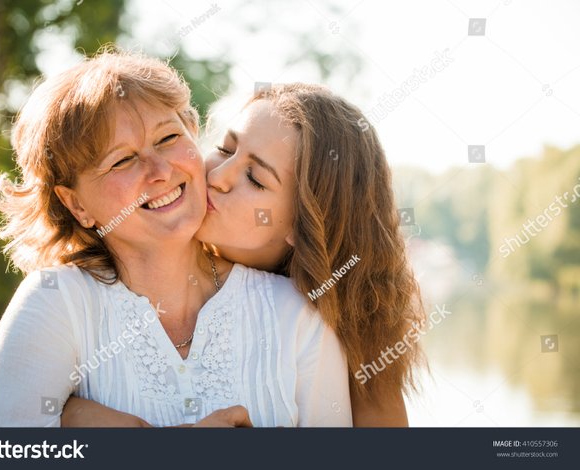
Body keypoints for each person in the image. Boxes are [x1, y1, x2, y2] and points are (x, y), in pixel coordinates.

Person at [0, 50, 351, 427]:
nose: (159, 170)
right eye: (122, 160)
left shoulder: (295, 314)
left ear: (193, 135)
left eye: (168, 139)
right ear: (76, 205)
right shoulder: (58, 300)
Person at [54, 83, 425, 427]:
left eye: (256, 179)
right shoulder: (102, 274)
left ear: (304, 224)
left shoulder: (343, 346)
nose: (218, 176)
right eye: (226, 149)